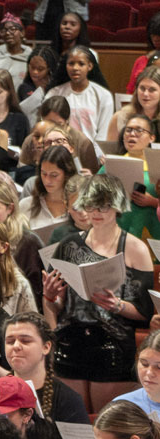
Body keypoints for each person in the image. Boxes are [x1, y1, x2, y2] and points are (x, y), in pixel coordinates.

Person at [43, 174, 153, 412]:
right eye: (91, 205)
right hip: (69, 343)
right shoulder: (68, 245)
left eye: (103, 205)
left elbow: (145, 312)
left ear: (116, 206)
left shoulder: (135, 248)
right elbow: (55, 305)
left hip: (112, 346)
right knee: (73, 424)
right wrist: (51, 297)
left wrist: (117, 305)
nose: (96, 212)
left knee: (107, 424)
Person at [105, 113, 160, 240]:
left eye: (139, 130)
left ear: (152, 138)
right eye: (128, 130)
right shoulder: (110, 164)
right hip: (117, 232)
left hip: (152, 232)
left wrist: (153, 202)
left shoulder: (157, 165)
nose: (132, 134)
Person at [18, 145, 75, 232]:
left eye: (54, 175)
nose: (47, 180)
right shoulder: (26, 205)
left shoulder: (80, 208)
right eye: (44, 174)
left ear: (67, 174)